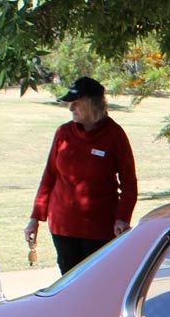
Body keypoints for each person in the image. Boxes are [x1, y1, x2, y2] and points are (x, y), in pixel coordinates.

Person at [24, 76, 138, 274]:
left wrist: (122, 218)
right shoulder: (63, 133)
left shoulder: (115, 135)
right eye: (70, 104)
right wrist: (35, 217)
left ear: (92, 105)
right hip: (63, 227)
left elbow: (129, 184)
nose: (70, 109)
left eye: (76, 104)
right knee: (69, 284)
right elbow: (49, 176)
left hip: (101, 229)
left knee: (99, 282)